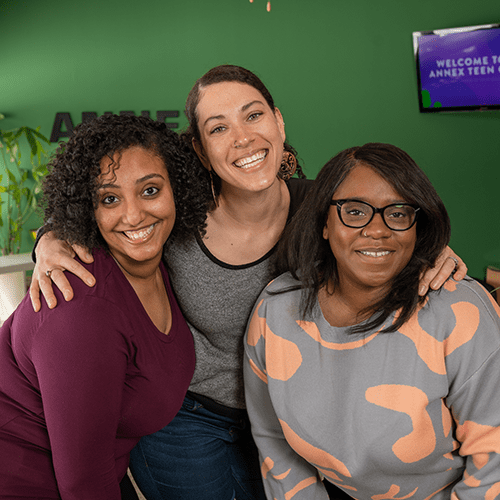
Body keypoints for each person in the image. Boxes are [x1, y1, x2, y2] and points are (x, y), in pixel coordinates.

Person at [29, 66, 467, 500]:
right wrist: (49, 239)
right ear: (201, 150)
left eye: (253, 116)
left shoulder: (325, 210)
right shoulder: (178, 209)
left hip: (293, 417)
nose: (242, 137)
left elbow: (389, 227)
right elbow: (112, 210)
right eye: (219, 128)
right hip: (187, 419)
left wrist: (432, 252)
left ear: (278, 121)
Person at [243, 143, 500, 499]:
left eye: (397, 213)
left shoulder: (460, 312)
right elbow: (275, 445)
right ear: (324, 224)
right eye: (355, 211)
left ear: (416, 224)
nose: (378, 230)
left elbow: (494, 466)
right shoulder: (276, 311)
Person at [0, 114, 203, 499]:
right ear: (86, 208)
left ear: (178, 188)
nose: (133, 215)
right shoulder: (82, 307)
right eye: (109, 199)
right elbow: (83, 482)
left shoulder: (163, 263)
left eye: (150, 191)